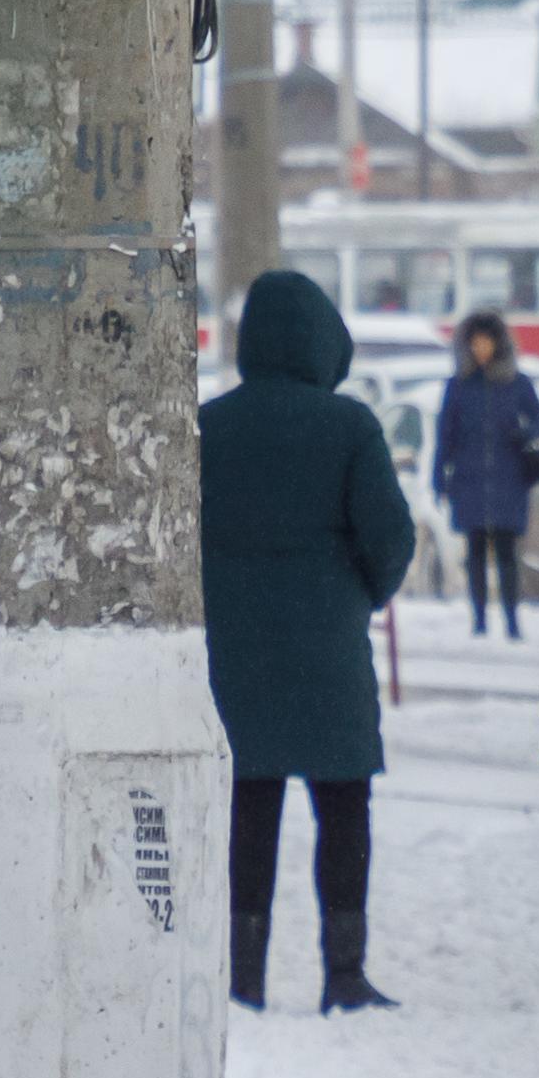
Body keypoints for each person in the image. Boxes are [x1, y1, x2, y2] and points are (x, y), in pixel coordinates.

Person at [201, 271, 422, 1012]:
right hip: (329, 652)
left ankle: (243, 976)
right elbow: (390, 537)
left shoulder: (208, 425)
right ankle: (345, 973)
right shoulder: (349, 426)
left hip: (233, 659)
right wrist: (360, 595)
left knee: (248, 814)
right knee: (345, 809)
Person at [432, 307, 539, 640]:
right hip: (469, 480)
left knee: (506, 552)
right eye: (475, 343)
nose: (480, 349)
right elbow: (446, 434)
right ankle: (479, 619)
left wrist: (524, 433)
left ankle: (513, 620)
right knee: (473, 552)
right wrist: (439, 475)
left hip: (508, 478)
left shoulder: (517, 382)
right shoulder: (458, 386)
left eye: (486, 343)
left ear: (498, 344)